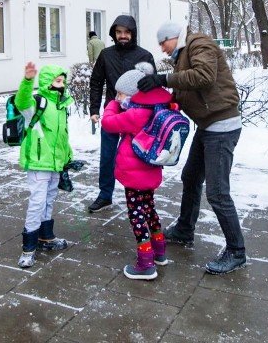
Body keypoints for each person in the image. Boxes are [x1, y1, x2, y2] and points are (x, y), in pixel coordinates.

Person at [137, 21, 247, 275]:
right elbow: (186, 91)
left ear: (173, 37)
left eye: (162, 43)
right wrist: (161, 99)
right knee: (190, 177)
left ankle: (237, 251)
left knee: (218, 193)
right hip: (208, 125)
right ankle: (185, 230)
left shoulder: (199, 43)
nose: (162, 50)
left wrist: (162, 79)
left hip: (221, 126)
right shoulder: (184, 56)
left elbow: (203, 77)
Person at [100, 63, 172, 280]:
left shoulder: (136, 114)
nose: (118, 97)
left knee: (136, 214)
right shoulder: (157, 108)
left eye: (120, 94)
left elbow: (108, 123)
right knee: (150, 209)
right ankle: (159, 251)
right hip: (151, 171)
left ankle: (145, 263)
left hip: (134, 175)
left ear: (133, 95)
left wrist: (112, 104)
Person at [87, 15, 155, 213]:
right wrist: (94, 110)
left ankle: (140, 193)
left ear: (133, 33)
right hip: (113, 112)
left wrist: (152, 112)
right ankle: (105, 194)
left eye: (126, 32)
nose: (122, 36)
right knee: (107, 155)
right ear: (113, 34)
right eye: (118, 32)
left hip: (137, 114)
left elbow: (152, 86)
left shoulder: (145, 55)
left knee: (136, 156)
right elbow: (96, 81)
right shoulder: (106, 55)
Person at [15, 61, 73, 268]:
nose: (61, 85)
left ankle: (46, 237)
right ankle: (28, 248)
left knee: (49, 199)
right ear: (48, 82)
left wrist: (67, 157)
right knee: (37, 203)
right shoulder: (37, 104)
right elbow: (21, 101)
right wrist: (28, 81)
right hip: (39, 163)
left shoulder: (60, 106)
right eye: (57, 81)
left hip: (55, 164)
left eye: (63, 81)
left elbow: (62, 136)